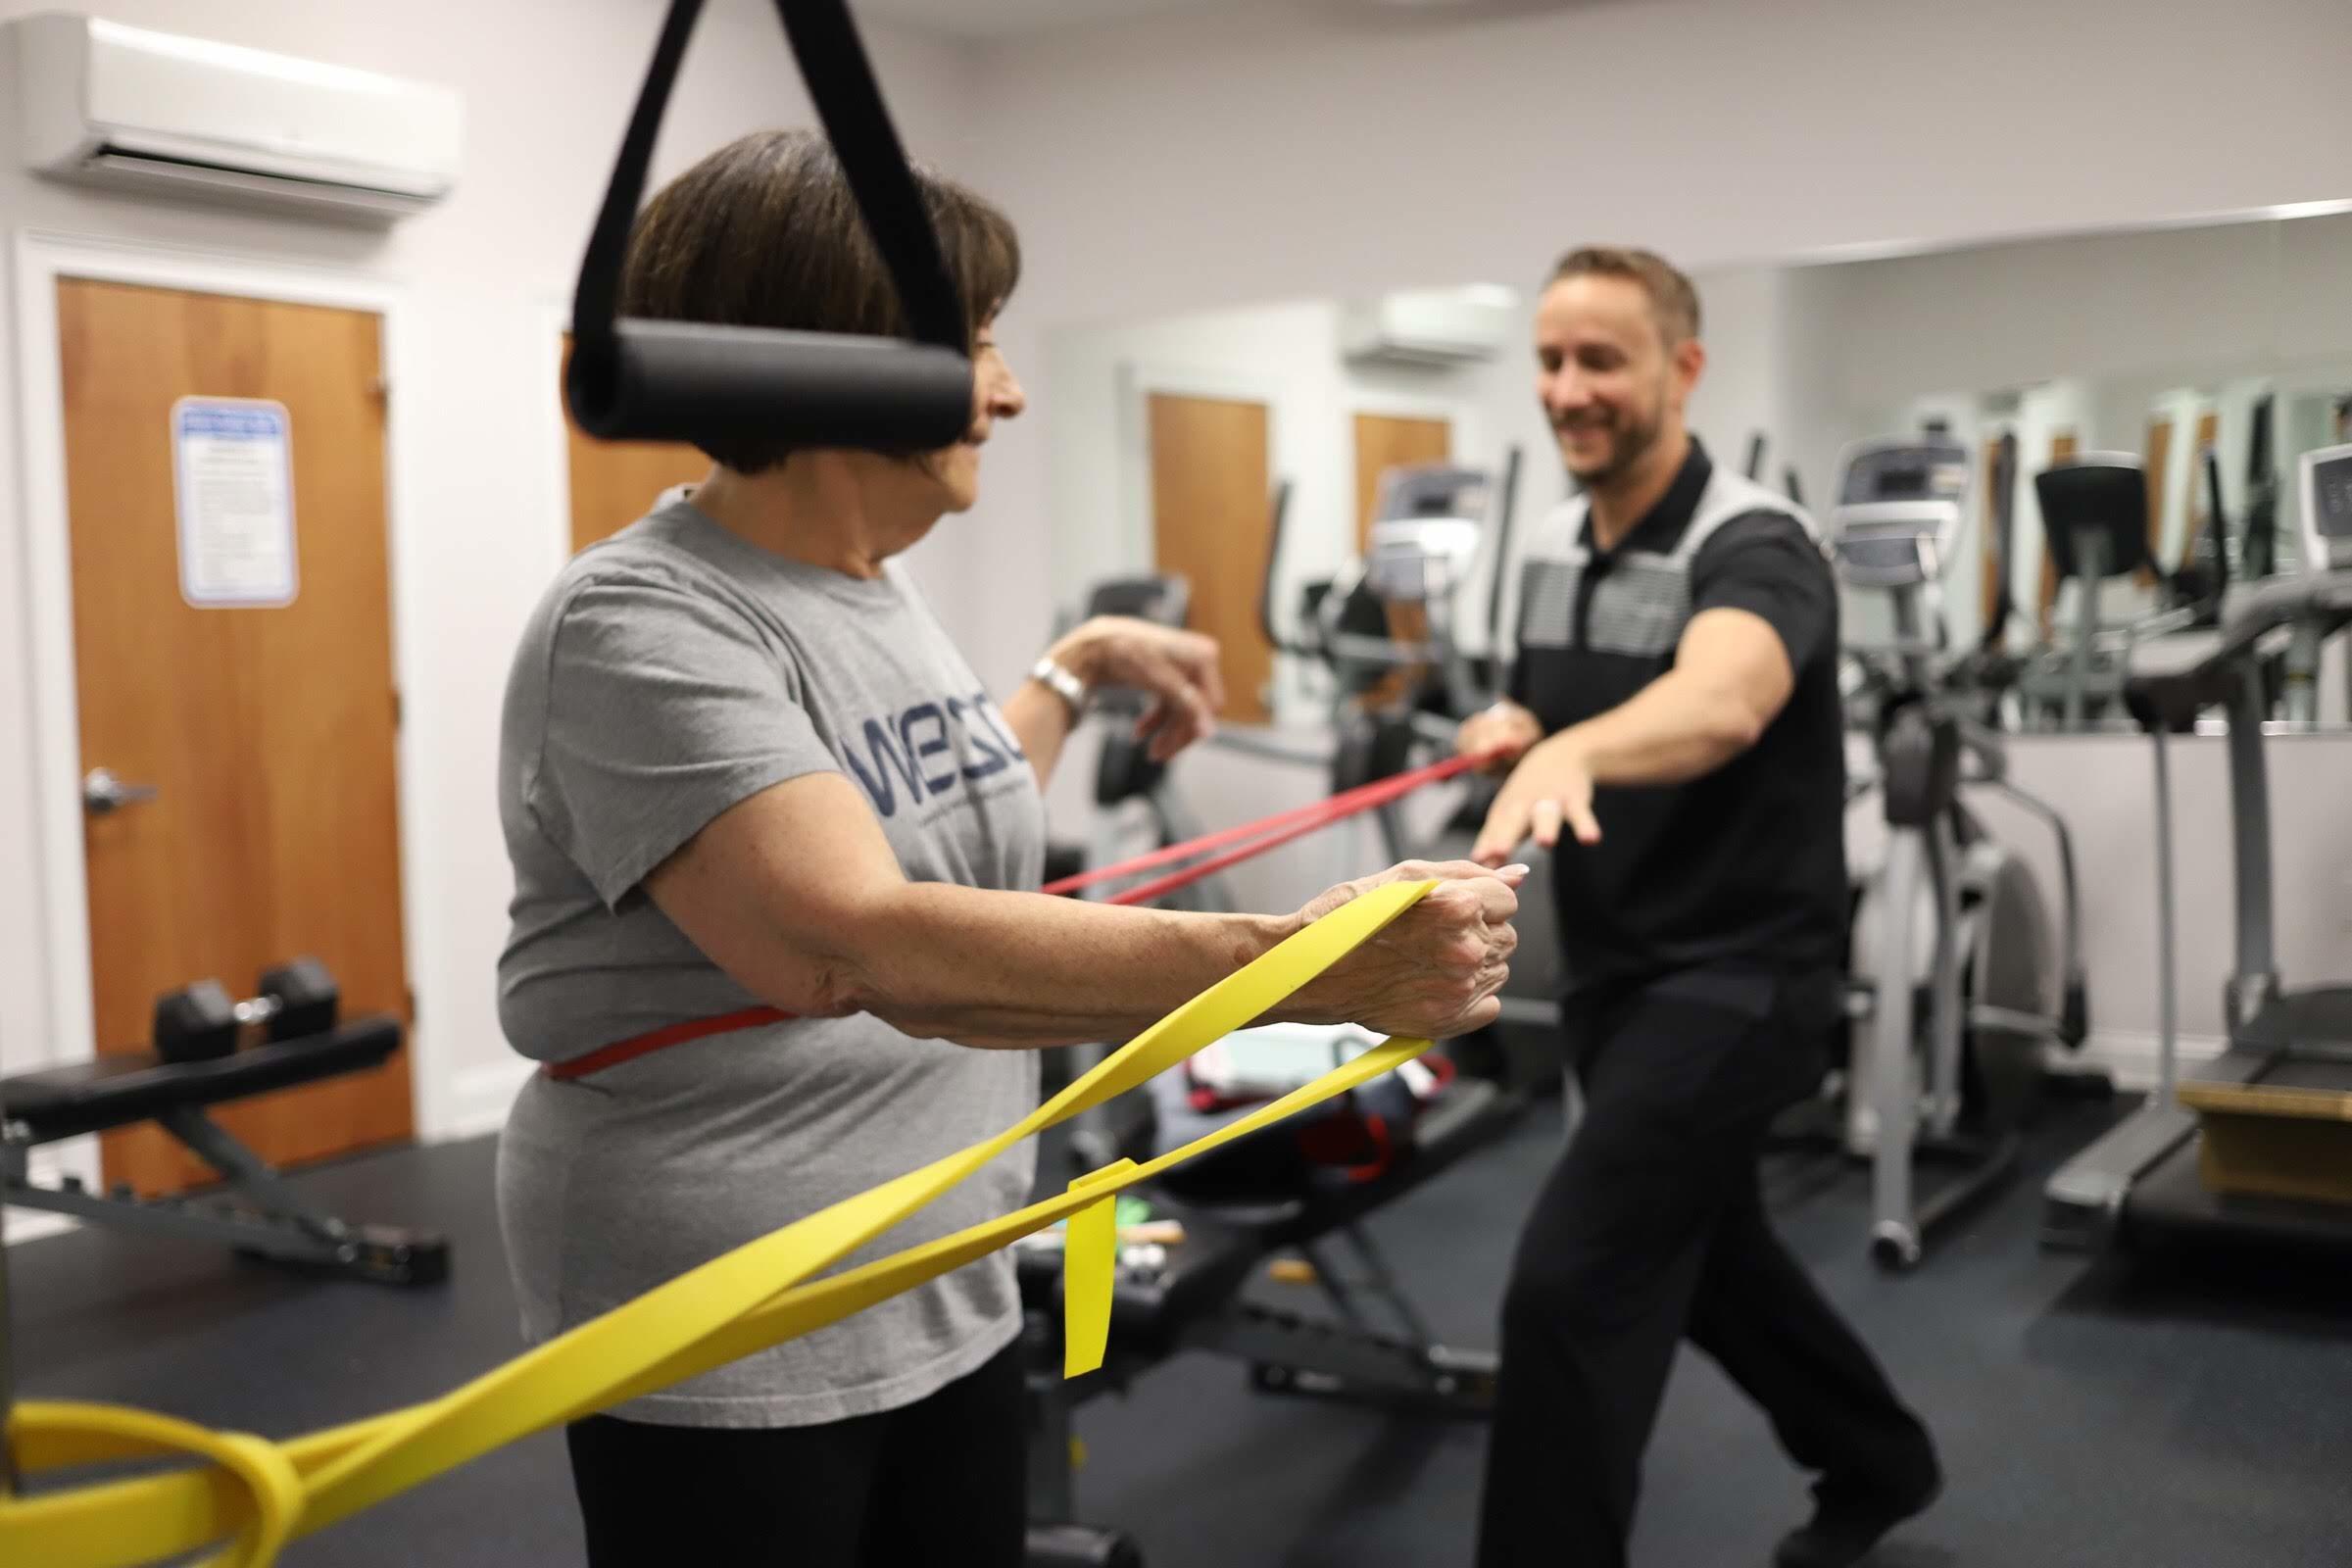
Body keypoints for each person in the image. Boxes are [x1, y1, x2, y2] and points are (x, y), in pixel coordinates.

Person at [492, 128, 1523, 1568]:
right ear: (842, 363)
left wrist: (1073, 669)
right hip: (739, 1305)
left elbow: (926, 824)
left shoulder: (870, 585)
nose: (1012, 388)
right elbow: (859, 941)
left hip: (945, 1259)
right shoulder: (644, 623)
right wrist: (1297, 967)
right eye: (977, 341)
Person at [1459, 247, 1939, 1568]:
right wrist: (1519, 728)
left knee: (1569, 1288)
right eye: (1551, 360)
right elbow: (1557, 709)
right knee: (1711, 1256)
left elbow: (1723, 698)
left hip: (1741, 981)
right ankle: (1881, 1462)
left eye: (1601, 360)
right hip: (1620, 975)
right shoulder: (1553, 545)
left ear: (1684, 369)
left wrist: (1576, 747)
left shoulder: (1757, 541)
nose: (1568, 389)